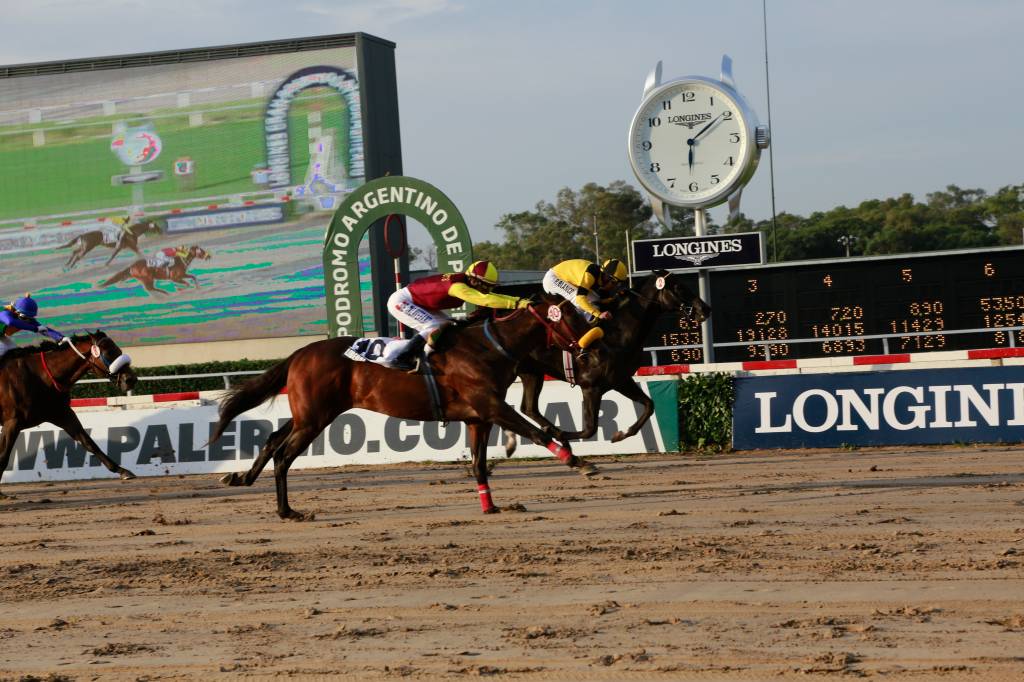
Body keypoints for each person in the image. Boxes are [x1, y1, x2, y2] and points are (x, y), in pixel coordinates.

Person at [382, 260, 529, 370]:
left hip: (418, 302)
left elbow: (489, 296)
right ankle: (401, 358)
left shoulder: (468, 282)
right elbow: (485, 300)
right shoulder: (458, 288)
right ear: (473, 280)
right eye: (486, 285)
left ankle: (429, 356)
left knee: (449, 326)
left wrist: (521, 301)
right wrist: (517, 304)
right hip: (402, 301)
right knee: (433, 326)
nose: (488, 289)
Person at [542, 258, 629, 322]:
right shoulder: (590, 276)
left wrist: (606, 301)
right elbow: (580, 299)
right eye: (614, 283)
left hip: (564, 278)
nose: (615, 286)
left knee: (595, 300)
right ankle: (581, 331)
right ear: (607, 277)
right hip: (553, 279)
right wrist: (599, 314)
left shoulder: (599, 275)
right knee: (583, 302)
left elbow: (596, 300)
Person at [0, 294, 67, 360]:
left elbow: (43, 329)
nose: (27, 320)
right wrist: (35, 328)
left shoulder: (26, 318)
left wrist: (61, 338)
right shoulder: (4, 313)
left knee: (15, 351)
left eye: (29, 317)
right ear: (16, 311)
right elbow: (10, 322)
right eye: (24, 317)